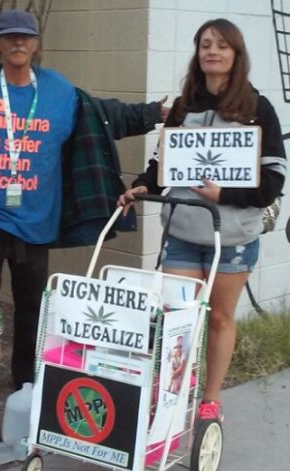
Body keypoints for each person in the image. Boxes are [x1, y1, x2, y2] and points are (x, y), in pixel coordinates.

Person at [0, 10, 169, 404]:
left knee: (32, 307)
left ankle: (26, 379)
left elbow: (106, 116)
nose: (18, 43)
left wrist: (154, 114)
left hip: (37, 221)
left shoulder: (59, 92)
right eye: (10, 37)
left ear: (36, 44)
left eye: (25, 37)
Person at [119, 18, 286, 423]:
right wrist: (141, 186)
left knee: (221, 317)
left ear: (236, 55)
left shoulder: (258, 108)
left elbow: (274, 178)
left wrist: (224, 195)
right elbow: (164, 163)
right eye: (205, 44)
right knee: (178, 316)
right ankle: (177, 387)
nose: (212, 51)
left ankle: (210, 401)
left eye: (222, 45)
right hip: (183, 230)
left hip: (232, 238)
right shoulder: (183, 108)